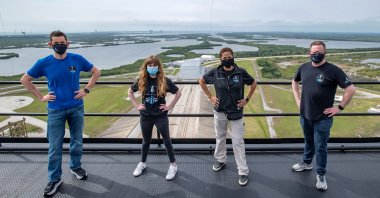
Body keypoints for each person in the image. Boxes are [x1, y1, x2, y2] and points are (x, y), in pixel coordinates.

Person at [20, 30, 101, 196]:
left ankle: (75, 167)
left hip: (76, 107)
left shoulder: (76, 59)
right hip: (55, 109)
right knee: (54, 147)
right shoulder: (44, 62)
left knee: (77, 141)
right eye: (56, 43)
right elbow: (25, 79)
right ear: (50, 45)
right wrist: (41, 97)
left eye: (62, 43)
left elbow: (96, 72)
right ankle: (55, 178)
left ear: (67, 43)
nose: (59, 46)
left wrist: (86, 90)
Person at [291, 41, 356, 191]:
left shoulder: (333, 70)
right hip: (305, 114)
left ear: (325, 53)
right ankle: (307, 163)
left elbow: (351, 89)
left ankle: (321, 174)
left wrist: (339, 107)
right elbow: (294, 82)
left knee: (320, 147)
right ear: (309, 54)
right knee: (308, 141)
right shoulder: (304, 67)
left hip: (323, 118)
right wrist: (297, 99)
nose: (316, 55)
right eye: (313, 53)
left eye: (319, 52)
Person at [199, 47, 257, 186]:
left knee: (238, 141)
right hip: (220, 111)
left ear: (233, 57)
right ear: (220, 58)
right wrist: (210, 96)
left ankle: (243, 172)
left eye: (229, 57)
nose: (227, 59)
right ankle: (220, 160)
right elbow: (201, 80)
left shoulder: (240, 72)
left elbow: (253, 83)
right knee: (220, 137)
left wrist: (246, 100)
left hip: (236, 112)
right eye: (224, 58)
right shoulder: (215, 72)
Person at [128, 55, 182, 181]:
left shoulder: (164, 80)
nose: (152, 67)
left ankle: (173, 165)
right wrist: (137, 105)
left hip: (160, 116)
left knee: (166, 140)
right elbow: (130, 91)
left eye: (154, 65)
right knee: (146, 141)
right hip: (145, 116)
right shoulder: (142, 80)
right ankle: (142, 163)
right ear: (146, 67)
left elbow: (178, 93)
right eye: (149, 65)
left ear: (158, 67)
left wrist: (169, 106)